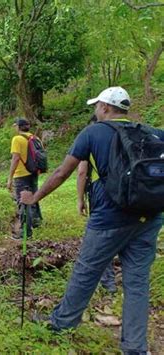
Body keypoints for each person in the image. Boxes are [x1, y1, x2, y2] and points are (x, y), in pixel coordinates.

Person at [21, 86, 164, 354]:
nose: (95, 111)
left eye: (96, 106)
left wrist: (35, 197)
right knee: (137, 283)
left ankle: (62, 323)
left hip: (110, 219)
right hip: (150, 217)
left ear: (106, 108)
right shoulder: (152, 132)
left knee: (86, 271)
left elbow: (63, 173)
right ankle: (135, 348)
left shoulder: (93, 132)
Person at [76, 115, 117, 294]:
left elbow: (82, 172)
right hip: (132, 194)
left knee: (100, 239)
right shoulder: (123, 134)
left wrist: (80, 199)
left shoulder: (92, 137)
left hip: (103, 194)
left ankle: (107, 282)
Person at [7, 118, 42, 238]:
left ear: (18, 127)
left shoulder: (17, 139)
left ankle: (25, 232)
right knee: (33, 196)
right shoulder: (35, 138)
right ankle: (37, 221)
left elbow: (16, 158)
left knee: (23, 201)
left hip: (21, 174)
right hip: (33, 172)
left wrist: (10, 177)